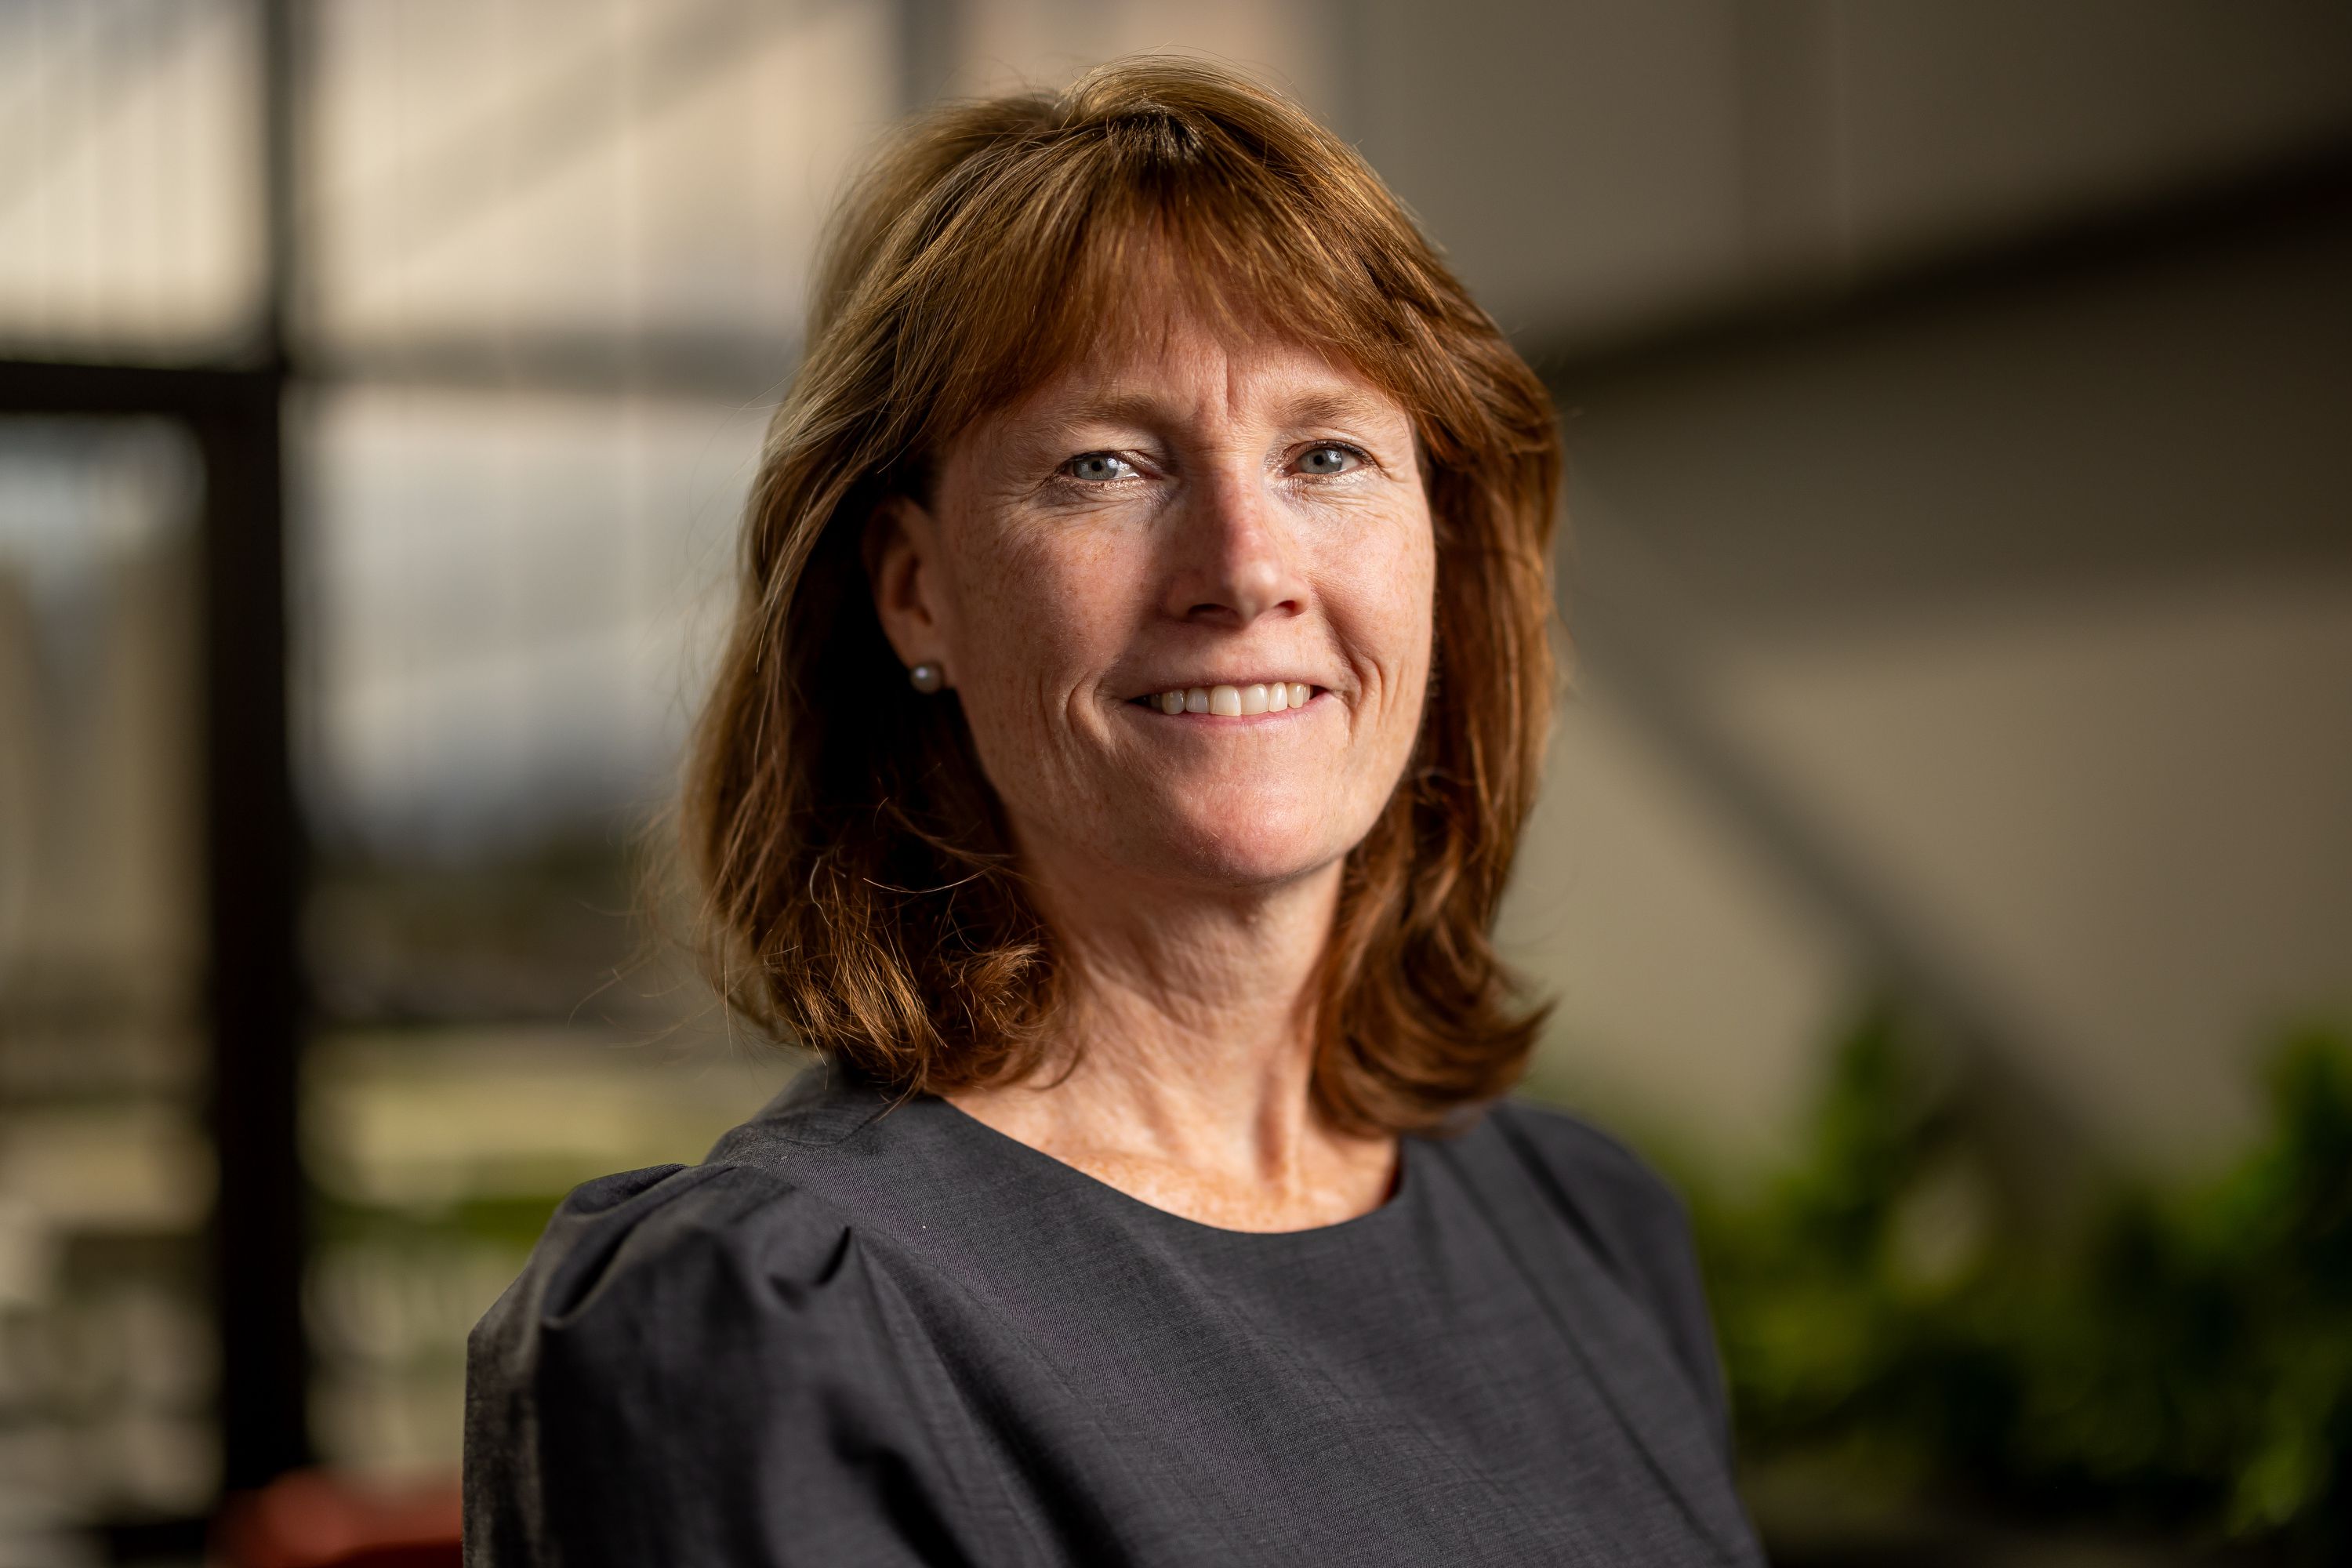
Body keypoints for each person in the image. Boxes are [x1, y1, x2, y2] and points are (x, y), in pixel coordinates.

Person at [464, 56, 1763, 1567]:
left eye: (1326, 454)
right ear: (914, 589)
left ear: (1440, 552)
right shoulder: (768, 1320)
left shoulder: (1590, 1225)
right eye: (1108, 465)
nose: (1245, 564)